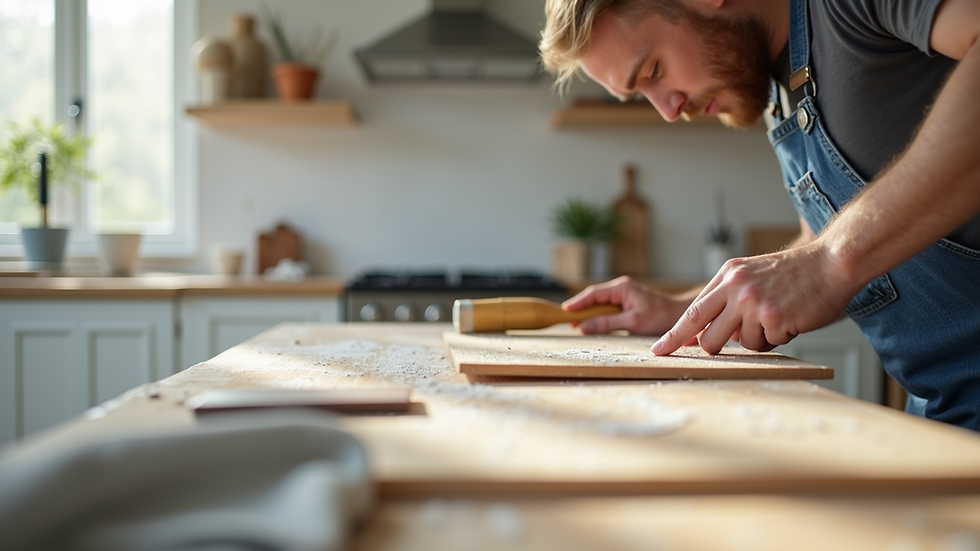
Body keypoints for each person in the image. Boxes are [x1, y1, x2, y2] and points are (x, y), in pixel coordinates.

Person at [539, 0, 980, 430]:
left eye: (654, 70)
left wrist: (830, 260)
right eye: (639, 95)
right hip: (946, 417)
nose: (669, 111)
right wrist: (683, 310)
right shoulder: (774, 89)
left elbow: (831, 252)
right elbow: (824, 242)